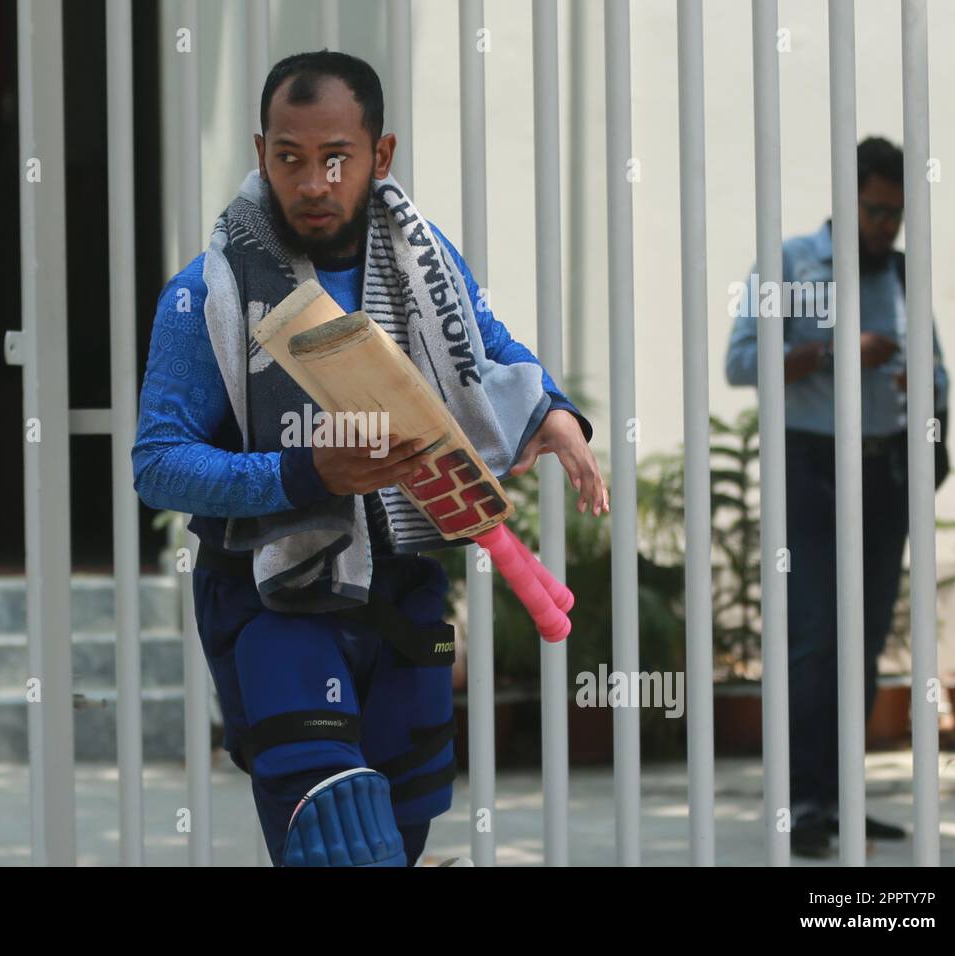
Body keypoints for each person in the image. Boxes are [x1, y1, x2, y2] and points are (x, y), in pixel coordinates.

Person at [132, 51, 606, 866]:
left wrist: (552, 410)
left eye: (335, 158)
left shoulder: (424, 259)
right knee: (339, 840)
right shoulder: (205, 292)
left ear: (378, 156)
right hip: (275, 601)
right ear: (261, 153)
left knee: (404, 836)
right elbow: (159, 463)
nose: (312, 181)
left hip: (405, 590)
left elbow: (486, 346)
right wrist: (303, 475)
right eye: (290, 157)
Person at [725, 136, 950, 859]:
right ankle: (803, 803)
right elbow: (739, 362)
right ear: (846, 198)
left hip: (885, 471)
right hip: (812, 465)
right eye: (876, 210)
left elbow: (938, 370)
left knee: (864, 639)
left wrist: (926, 388)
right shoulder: (790, 264)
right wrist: (832, 353)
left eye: (896, 213)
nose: (887, 226)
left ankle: (844, 798)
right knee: (816, 638)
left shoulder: (903, 275)